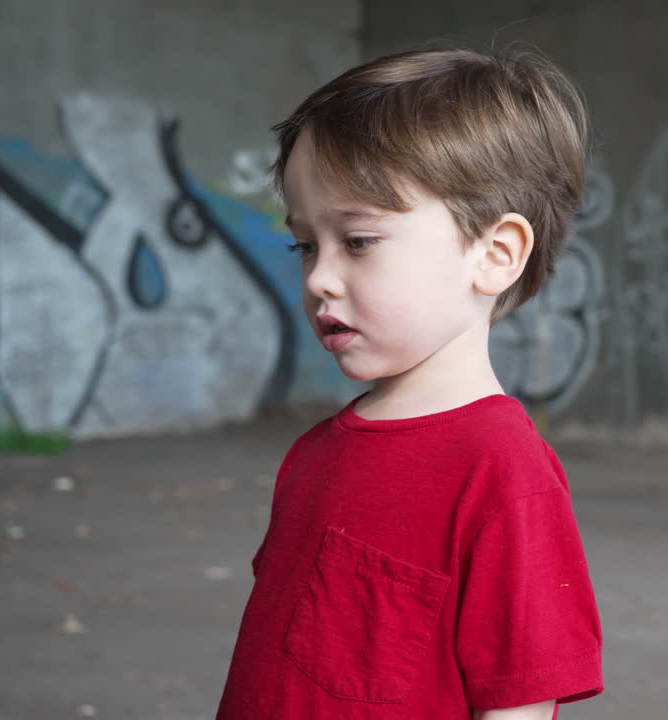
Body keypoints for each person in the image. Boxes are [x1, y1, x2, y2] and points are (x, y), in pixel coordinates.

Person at [215, 45, 604, 720]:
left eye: (358, 241)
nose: (319, 278)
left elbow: (518, 702)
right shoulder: (313, 453)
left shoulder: (501, 470)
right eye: (305, 245)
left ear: (495, 255)